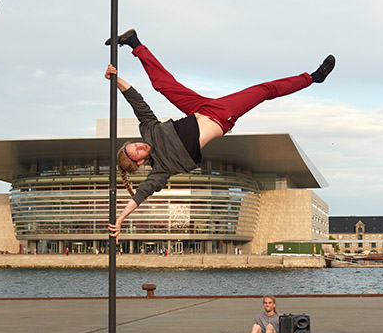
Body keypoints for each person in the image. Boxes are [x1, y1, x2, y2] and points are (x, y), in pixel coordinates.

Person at [105, 29, 335, 237]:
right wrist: (120, 219)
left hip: (197, 108)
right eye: (135, 151)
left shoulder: (149, 131)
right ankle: (314, 78)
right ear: (139, 161)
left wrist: (115, 79)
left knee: (162, 85)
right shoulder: (162, 170)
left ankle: (133, 42)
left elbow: (137, 101)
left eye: (132, 144)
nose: (138, 145)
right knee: (264, 90)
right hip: (220, 116)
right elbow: (140, 195)